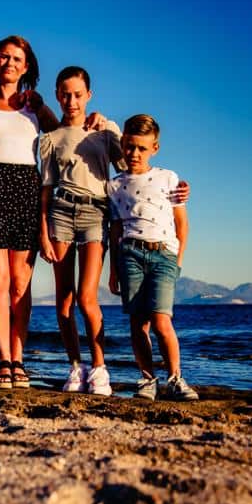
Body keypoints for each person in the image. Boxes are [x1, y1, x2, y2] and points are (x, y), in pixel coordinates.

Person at [0, 37, 108, 390]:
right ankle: (4, 362)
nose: (10, 63)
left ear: (25, 67)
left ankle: (20, 360)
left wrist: (97, 120)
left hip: (27, 190)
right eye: (5, 57)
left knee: (21, 284)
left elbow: (67, 133)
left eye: (17, 59)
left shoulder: (35, 107)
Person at [39, 66, 122, 396]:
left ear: (88, 95)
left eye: (77, 94)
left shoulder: (104, 131)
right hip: (60, 213)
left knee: (88, 298)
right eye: (64, 94)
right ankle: (76, 366)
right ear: (57, 96)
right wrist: (43, 233)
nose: (71, 101)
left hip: (94, 213)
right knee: (64, 301)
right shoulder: (50, 140)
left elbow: (131, 169)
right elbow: (45, 189)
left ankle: (100, 369)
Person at [107, 114, 199, 401]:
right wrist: (112, 271)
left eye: (142, 148)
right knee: (138, 323)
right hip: (130, 254)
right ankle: (148, 380)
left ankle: (175, 379)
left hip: (163, 256)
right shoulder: (114, 185)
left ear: (154, 148)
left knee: (161, 321)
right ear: (123, 144)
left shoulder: (168, 178)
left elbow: (181, 223)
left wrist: (178, 260)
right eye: (130, 146)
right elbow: (116, 230)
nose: (134, 153)